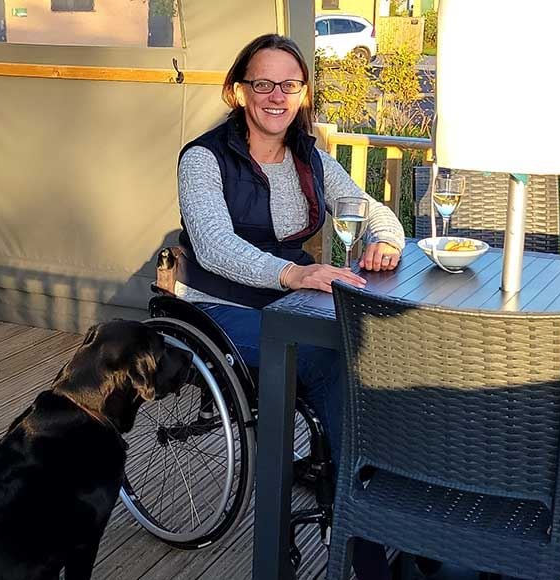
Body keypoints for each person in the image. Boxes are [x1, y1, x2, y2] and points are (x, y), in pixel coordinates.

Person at [174, 33, 404, 579]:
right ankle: (369, 548)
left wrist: (386, 239)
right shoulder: (203, 158)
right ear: (237, 91)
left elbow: (371, 210)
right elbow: (212, 245)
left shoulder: (311, 158)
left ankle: (377, 487)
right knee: (330, 361)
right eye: (263, 83)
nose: (276, 96)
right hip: (219, 304)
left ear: (303, 94)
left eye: (290, 85)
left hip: (293, 301)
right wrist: (292, 272)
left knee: (384, 347)